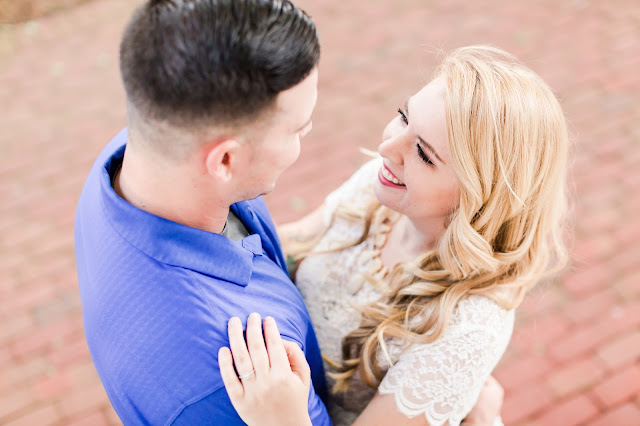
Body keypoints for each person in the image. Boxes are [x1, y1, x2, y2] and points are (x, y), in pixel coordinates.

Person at [219, 45, 569, 425]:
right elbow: (290, 244)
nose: (387, 148)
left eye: (424, 154)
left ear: (479, 196)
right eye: (404, 117)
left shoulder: (470, 327)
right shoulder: (380, 183)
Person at [74, 0, 330, 424]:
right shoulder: (235, 375)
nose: (307, 134)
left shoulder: (133, 158)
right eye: (298, 128)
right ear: (225, 161)